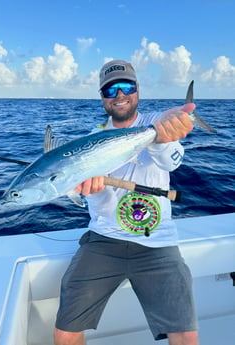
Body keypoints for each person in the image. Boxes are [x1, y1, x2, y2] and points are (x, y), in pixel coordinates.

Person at [54, 60, 199, 345]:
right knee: (65, 330)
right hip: (104, 240)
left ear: (137, 90)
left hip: (158, 242)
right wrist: (89, 189)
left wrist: (163, 137)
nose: (119, 94)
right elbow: (93, 198)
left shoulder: (158, 122)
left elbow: (172, 163)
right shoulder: (91, 139)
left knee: (185, 332)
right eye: (111, 89)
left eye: (126, 86)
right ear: (102, 97)